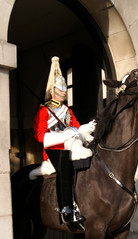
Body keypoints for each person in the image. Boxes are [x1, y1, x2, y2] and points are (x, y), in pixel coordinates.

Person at [29, 56, 95, 224]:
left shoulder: (67, 111)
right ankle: (66, 210)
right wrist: (62, 136)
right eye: (60, 88)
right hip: (54, 150)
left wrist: (87, 128)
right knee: (65, 163)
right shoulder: (44, 110)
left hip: (72, 144)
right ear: (53, 91)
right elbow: (39, 134)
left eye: (65, 89)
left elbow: (76, 126)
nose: (64, 92)